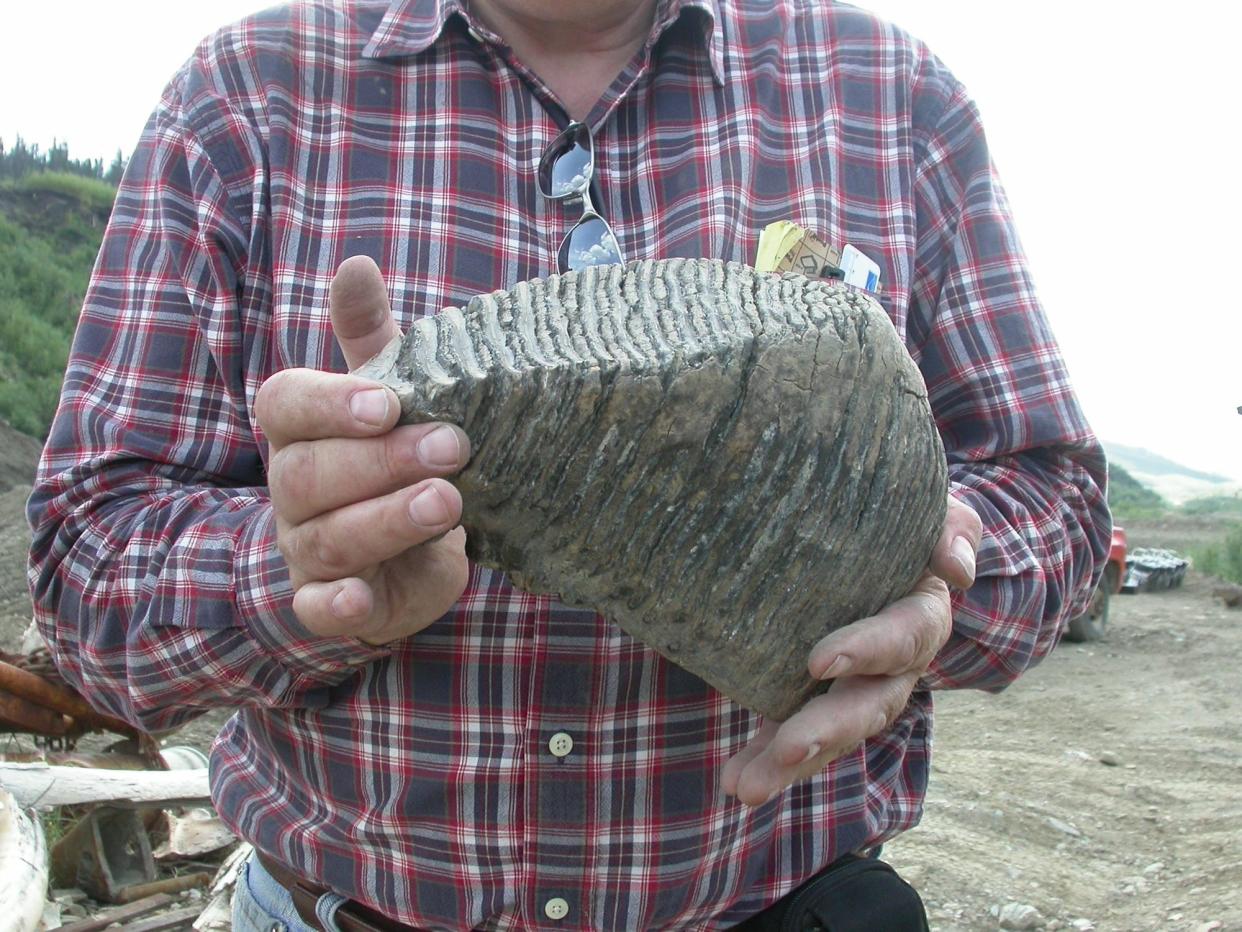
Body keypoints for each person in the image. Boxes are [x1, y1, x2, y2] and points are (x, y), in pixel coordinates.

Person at [27, 0, 1111, 929]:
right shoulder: (248, 96)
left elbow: (1054, 496)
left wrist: (925, 574)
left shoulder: (891, 96)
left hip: (792, 901)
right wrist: (308, 576)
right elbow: (84, 573)